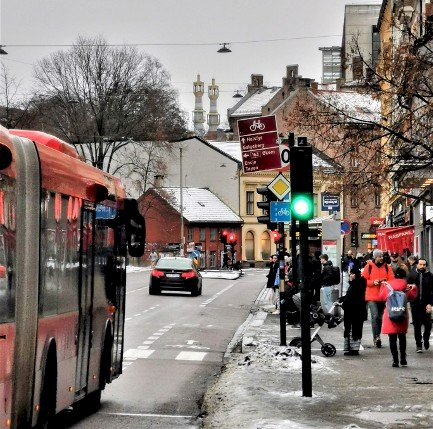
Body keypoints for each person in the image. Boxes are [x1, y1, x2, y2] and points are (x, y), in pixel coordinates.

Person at [379, 268, 417, 367]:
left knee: (392, 338)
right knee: (402, 337)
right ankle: (403, 359)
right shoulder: (406, 285)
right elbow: (412, 297)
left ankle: (395, 360)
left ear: (394, 275)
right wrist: (414, 288)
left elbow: (381, 297)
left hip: (390, 314)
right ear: (404, 276)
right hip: (402, 313)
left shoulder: (387, 285)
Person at [362, 249, 394, 348]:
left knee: (380, 318)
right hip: (371, 296)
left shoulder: (387, 267)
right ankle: (376, 337)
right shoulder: (369, 266)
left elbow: (392, 279)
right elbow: (363, 280)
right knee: (375, 316)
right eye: (379, 256)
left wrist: (386, 282)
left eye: (382, 256)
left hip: (383, 297)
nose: (381, 258)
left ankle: (377, 335)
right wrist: (373, 282)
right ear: (375, 257)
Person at [407, 258, 433, 353]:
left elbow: (432, 292)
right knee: (417, 325)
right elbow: (406, 288)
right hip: (415, 304)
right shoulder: (411, 275)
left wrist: (430, 304)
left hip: (426, 304)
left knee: (428, 324)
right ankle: (418, 344)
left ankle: (426, 338)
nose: (422, 266)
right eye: (420, 264)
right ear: (417, 265)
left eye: (424, 265)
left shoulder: (430, 276)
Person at [340, 267, 367, 356]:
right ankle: (351, 349)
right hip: (354, 311)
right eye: (350, 274)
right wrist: (342, 299)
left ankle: (354, 350)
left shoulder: (357, 284)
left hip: (355, 311)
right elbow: (349, 296)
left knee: (353, 330)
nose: (350, 275)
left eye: (352, 274)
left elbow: (353, 298)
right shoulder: (355, 284)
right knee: (352, 329)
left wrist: (344, 303)